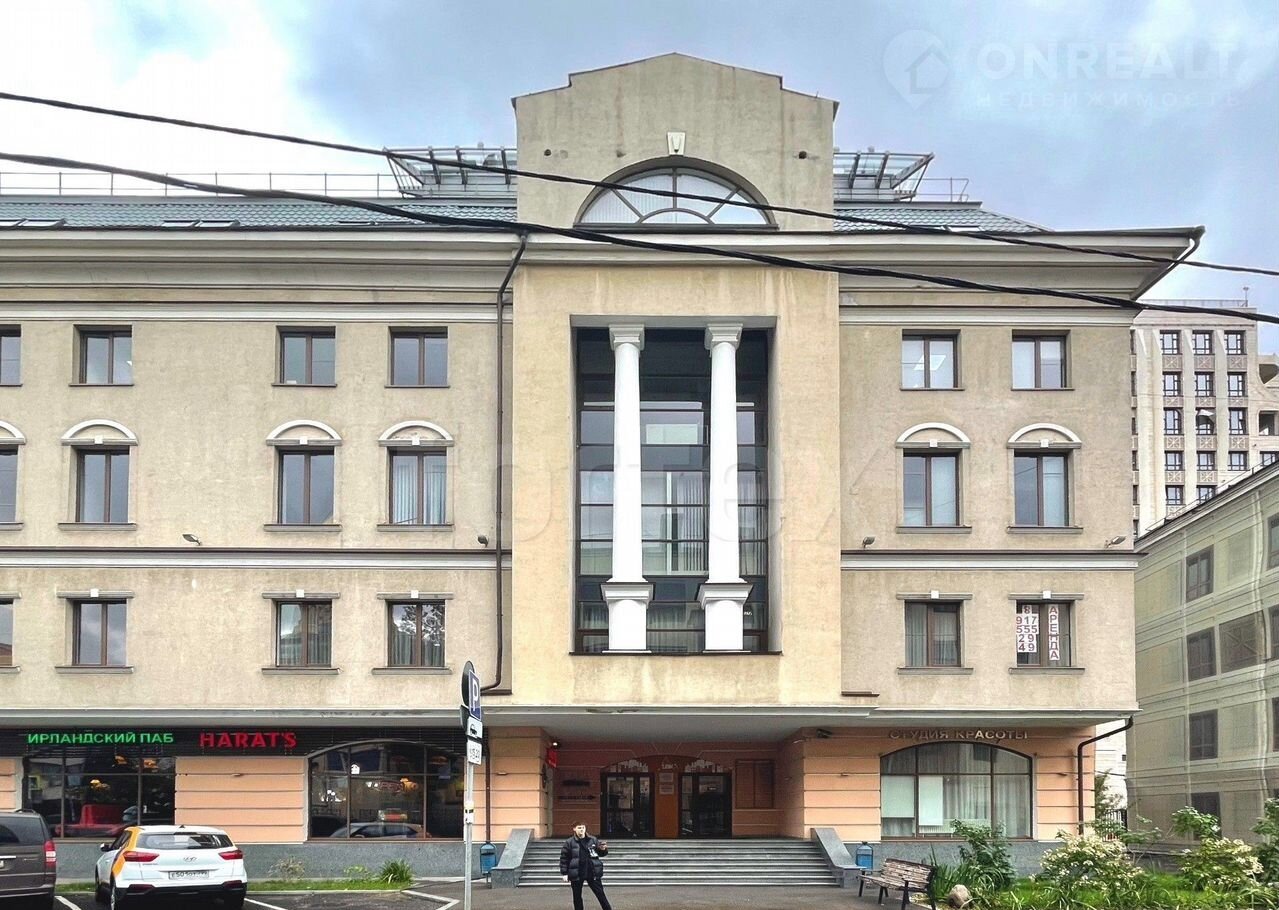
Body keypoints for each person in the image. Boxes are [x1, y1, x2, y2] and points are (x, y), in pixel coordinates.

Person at [559, 822, 612, 910]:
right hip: (577, 872)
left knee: (600, 894)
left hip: (592, 871)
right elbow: (564, 858)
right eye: (579, 828)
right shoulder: (569, 842)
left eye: (583, 827)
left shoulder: (592, 840)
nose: (582, 830)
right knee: (577, 896)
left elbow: (601, 853)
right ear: (574, 829)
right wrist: (564, 873)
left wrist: (603, 849)